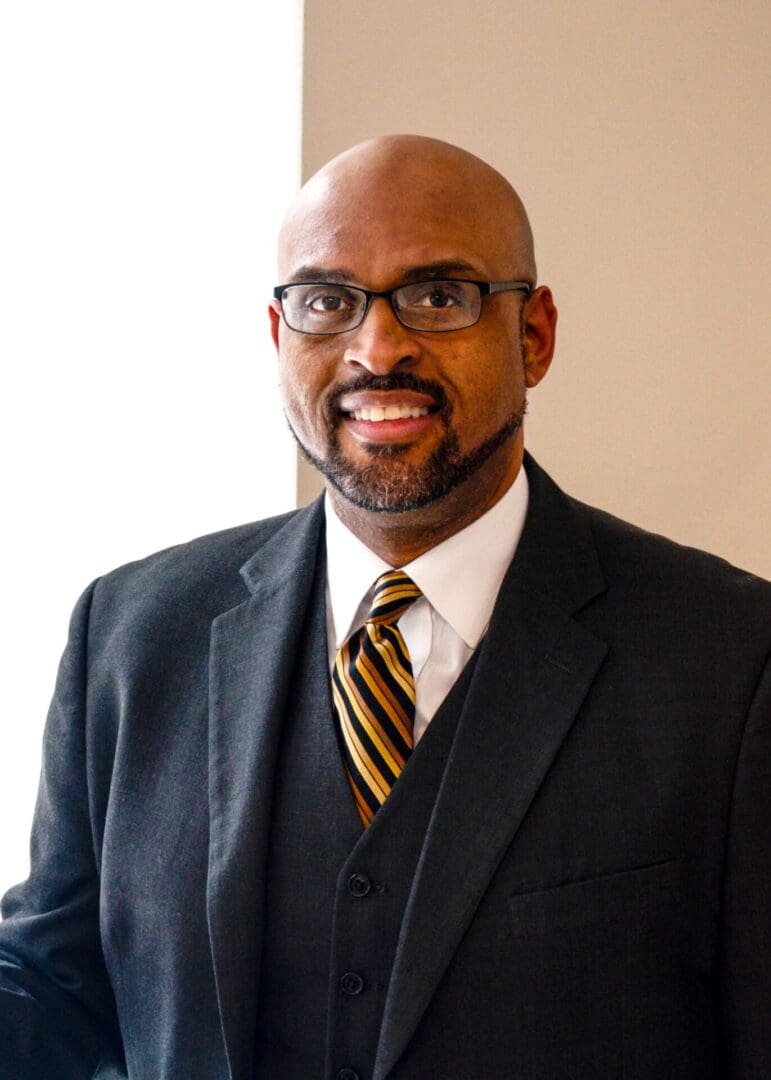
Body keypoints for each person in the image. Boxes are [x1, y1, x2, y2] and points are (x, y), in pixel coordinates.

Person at [0, 134, 768, 1080]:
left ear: (532, 336)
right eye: (327, 301)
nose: (376, 349)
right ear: (279, 336)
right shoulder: (129, 632)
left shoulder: (732, 662)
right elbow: (56, 985)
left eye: (438, 296)